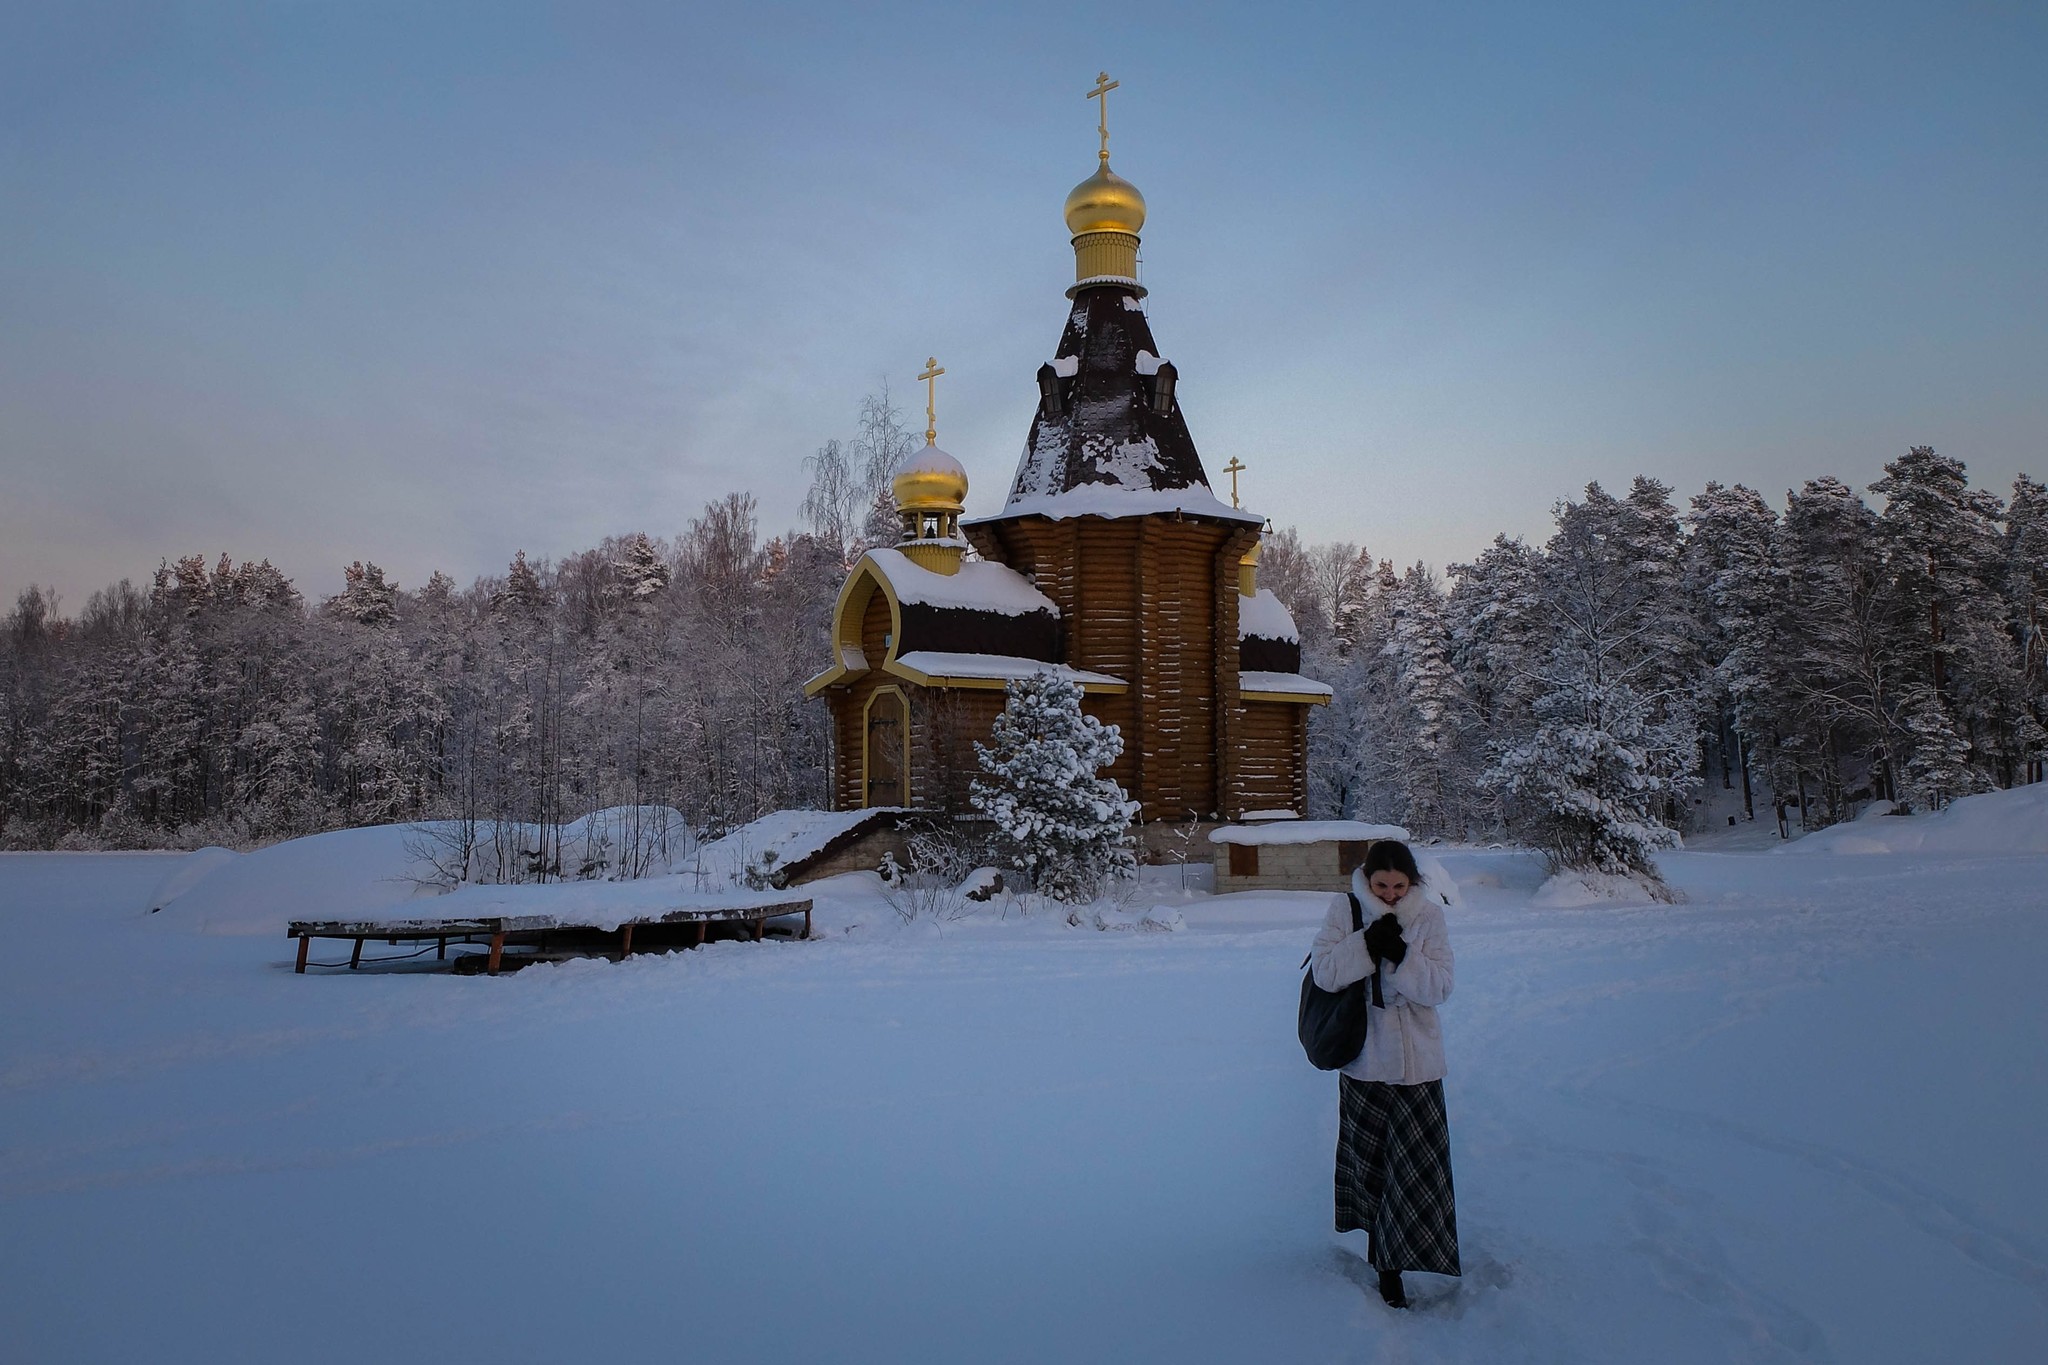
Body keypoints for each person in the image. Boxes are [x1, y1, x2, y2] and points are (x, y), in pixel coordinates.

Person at [1310, 839, 1460, 1308]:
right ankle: (1384, 1261)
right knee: (1373, 1169)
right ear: (1367, 879)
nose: (1391, 893)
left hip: (1418, 1068)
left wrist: (1400, 956)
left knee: (1414, 1172)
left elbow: (1440, 987)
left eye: (1399, 885)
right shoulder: (1345, 909)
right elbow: (1324, 974)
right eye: (1382, 885)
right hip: (1365, 1063)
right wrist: (1364, 946)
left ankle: (1398, 1257)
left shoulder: (1430, 917)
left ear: (1412, 882)